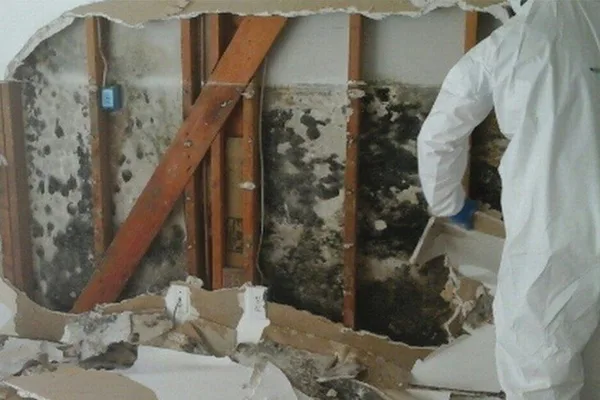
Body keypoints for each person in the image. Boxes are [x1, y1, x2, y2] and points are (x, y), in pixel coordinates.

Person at [417, 0, 600, 398]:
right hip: (566, 223)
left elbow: (439, 136)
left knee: (537, 360)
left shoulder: (511, 44)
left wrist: (450, 203)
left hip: (556, 227)